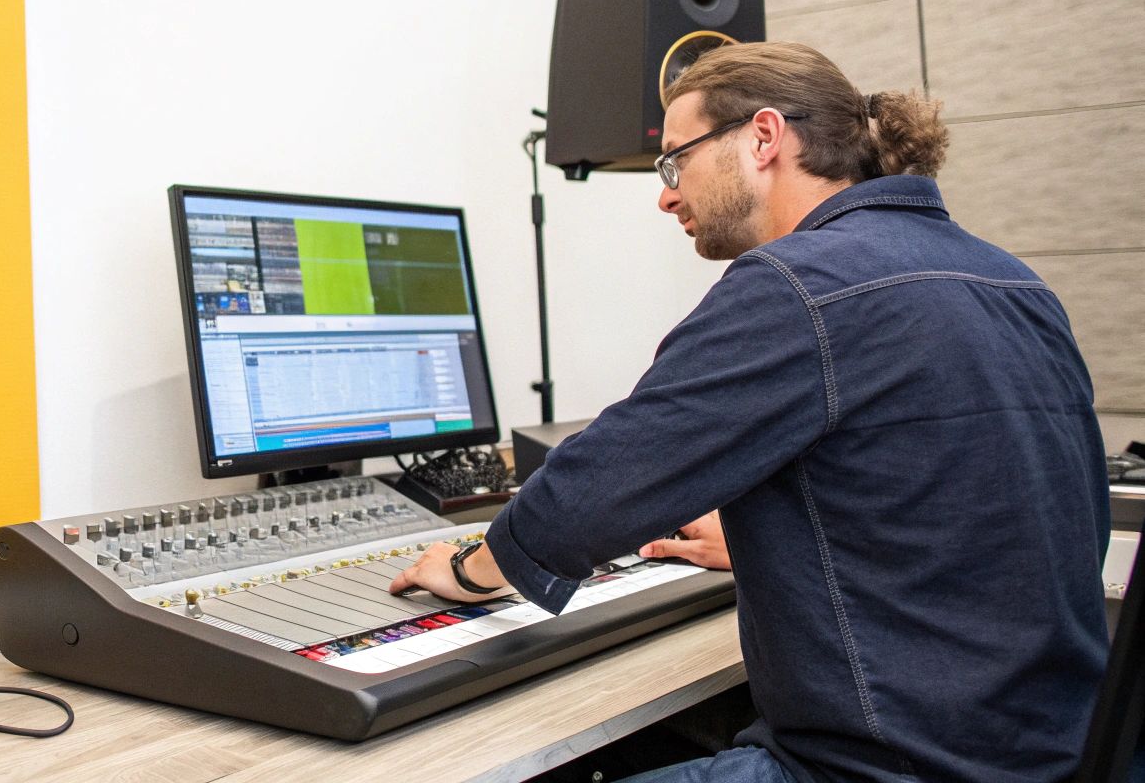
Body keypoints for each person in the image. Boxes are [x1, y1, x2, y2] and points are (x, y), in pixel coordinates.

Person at [388, 42, 1111, 783]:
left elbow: (591, 493)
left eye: (676, 160)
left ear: (764, 137)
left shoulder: (797, 285)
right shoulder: (1012, 279)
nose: (666, 195)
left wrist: (473, 571)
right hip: (1051, 754)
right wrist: (779, 542)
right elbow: (996, 511)